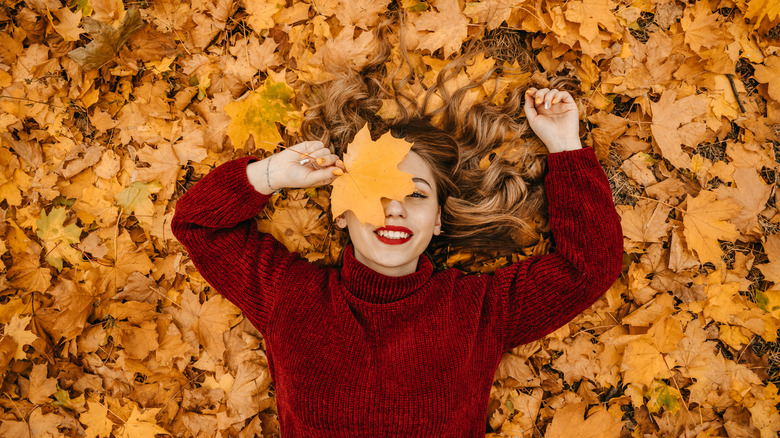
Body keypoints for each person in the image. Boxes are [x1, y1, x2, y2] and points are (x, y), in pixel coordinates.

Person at [172, 26, 623, 437]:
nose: (394, 211)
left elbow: (589, 266)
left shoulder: (478, 312)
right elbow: (198, 225)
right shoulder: (290, 297)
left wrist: (564, 143)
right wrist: (271, 173)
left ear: (439, 220)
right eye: (376, 192)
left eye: (417, 195)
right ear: (342, 212)